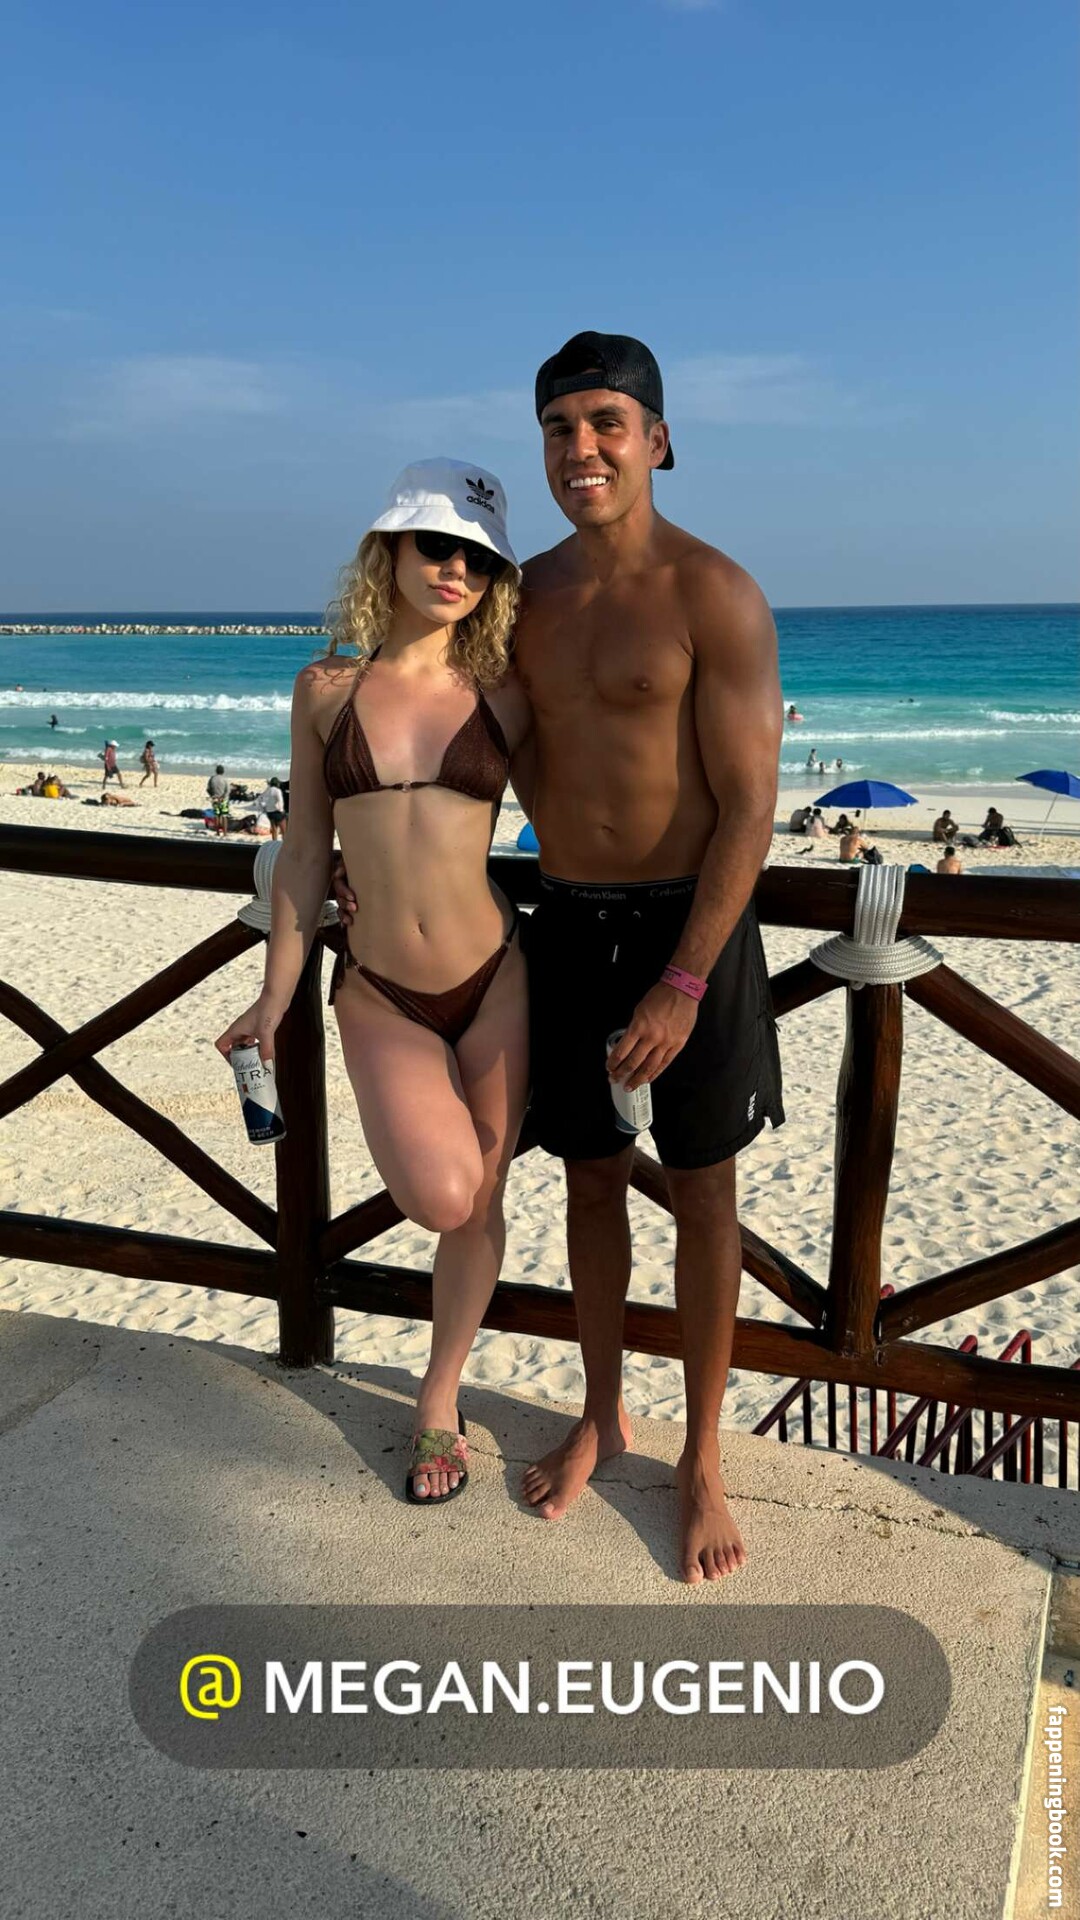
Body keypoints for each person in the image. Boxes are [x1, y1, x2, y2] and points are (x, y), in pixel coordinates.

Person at [216, 458, 530, 1509]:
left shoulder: (508, 692)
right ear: (388, 551)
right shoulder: (325, 690)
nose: (456, 571)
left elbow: (593, 809)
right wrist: (274, 995)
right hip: (382, 990)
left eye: (480, 560)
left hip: (497, 975)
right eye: (436, 546)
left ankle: (439, 1399)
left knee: (482, 1200)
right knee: (442, 1193)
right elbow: (307, 850)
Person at [256, 775, 287, 841]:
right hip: (277, 811)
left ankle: (274, 841)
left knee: (274, 828)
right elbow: (280, 800)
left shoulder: (267, 790)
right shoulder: (277, 790)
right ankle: (285, 841)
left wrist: (263, 808)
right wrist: (281, 810)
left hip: (269, 812)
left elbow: (260, 798)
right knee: (283, 828)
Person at [206, 764, 230, 835]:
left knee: (217, 816)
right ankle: (225, 833)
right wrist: (223, 797)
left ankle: (217, 832)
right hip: (223, 800)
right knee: (224, 816)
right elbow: (227, 790)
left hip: (215, 799)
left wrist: (212, 796)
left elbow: (208, 789)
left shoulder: (212, 779)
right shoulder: (225, 779)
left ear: (216, 771)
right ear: (223, 771)